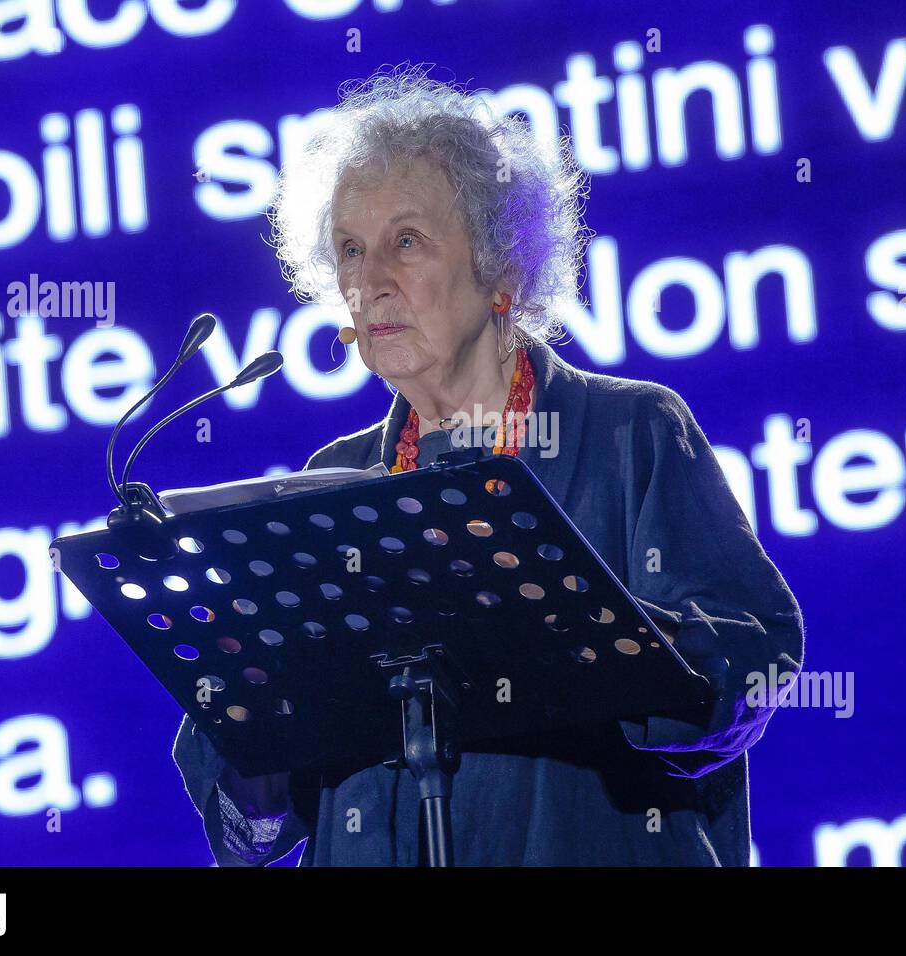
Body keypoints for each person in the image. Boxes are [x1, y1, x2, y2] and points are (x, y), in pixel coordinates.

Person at [173, 64, 804, 866]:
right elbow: (252, 820)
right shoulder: (327, 481)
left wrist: (598, 634)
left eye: (406, 242)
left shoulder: (629, 432)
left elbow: (753, 661)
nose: (369, 284)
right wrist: (251, 687)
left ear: (503, 268)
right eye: (350, 251)